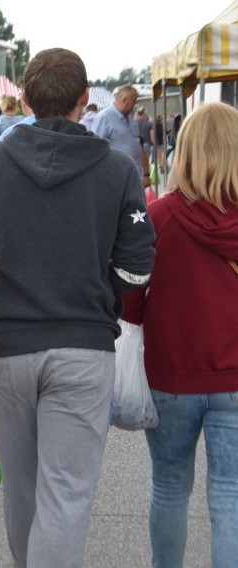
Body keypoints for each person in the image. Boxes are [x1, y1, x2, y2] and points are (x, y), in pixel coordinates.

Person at [0, 48, 155, 567]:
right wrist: (100, 291)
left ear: (24, 99)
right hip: (84, 346)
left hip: (8, 348)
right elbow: (139, 268)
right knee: (66, 496)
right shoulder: (118, 170)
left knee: (22, 490)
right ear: (83, 100)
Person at [119, 101, 238, 568]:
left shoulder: (158, 216)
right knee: (229, 494)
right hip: (234, 378)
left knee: (169, 488)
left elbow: (130, 298)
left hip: (169, 375)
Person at [91, 85, 151, 185]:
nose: (136, 104)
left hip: (136, 178)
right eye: (134, 100)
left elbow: (139, 146)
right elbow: (94, 150)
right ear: (124, 100)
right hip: (117, 179)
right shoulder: (104, 118)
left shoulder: (132, 119)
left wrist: (146, 174)